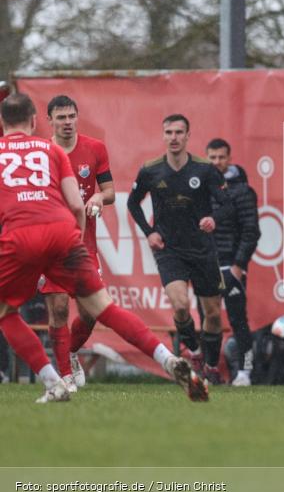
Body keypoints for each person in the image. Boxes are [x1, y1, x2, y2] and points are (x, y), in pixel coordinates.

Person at [0, 94, 206, 403]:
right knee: (105, 308)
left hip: (19, 236)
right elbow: (75, 205)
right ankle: (168, 359)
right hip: (64, 234)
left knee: (5, 312)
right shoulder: (52, 149)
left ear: (3, 123)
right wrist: (76, 242)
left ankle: (52, 382)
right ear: (34, 121)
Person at [127, 114, 232, 384]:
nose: (173, 137)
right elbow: (133, 203)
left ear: (187, 136)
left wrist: (213, 219)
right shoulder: (151, 170)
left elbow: (227, 204)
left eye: (178, 132)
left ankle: (210, 365)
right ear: (163, 136)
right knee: (180, 305)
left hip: (202, 249)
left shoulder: (205, 169)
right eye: (169, 132)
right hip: (169, 249)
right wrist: (149, 232)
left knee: (211, 313)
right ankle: (194, 351)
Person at [38, 95, 115, 393]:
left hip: (84, 244)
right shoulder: (42, 153)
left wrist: (98, 197)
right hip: (50, 245)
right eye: (61, 118)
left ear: (77, 116)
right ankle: (65, 375)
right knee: (57, 309)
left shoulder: (95, 148)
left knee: (90, 312)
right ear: (50, 120)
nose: (67, 122)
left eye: (71, 116)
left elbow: (110, 191)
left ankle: (70, 352)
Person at [205, 138, 261, 387]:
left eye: (221, 157)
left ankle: (245, 372)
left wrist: (239, 265)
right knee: (209, 318)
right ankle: (211, 369)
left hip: (232, 266)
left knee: (238, 319)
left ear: (229, 158)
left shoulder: (242, 191)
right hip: (206, 264)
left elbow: (251, 231)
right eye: (212, 157)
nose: (217, 162)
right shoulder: (202, 188)